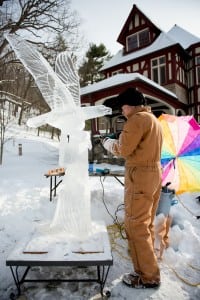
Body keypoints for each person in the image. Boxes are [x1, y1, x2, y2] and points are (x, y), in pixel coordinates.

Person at [103, 87, 163, 289]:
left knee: (136, 225)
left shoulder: (136, 120)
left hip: (141, 176)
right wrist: (123, 136)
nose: (122, 111)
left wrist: (109, 143)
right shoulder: (152, 119)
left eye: (123, 107)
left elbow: (123, 149)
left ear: (129, 105)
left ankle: (148, 276)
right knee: (145, 224)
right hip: (154, 174)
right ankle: (149, 267)